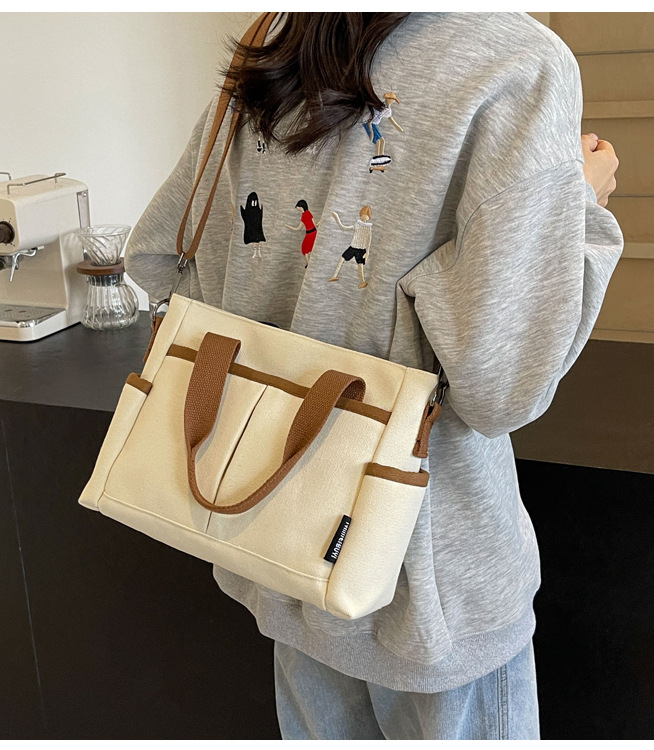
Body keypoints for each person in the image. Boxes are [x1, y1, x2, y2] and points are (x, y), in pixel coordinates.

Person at [125, 12, 623, 740]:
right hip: (427, 589)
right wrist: (578, 203)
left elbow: (155, 258)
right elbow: (500, 386)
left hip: (281, 545)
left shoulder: (280, 42)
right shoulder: (517, 62)